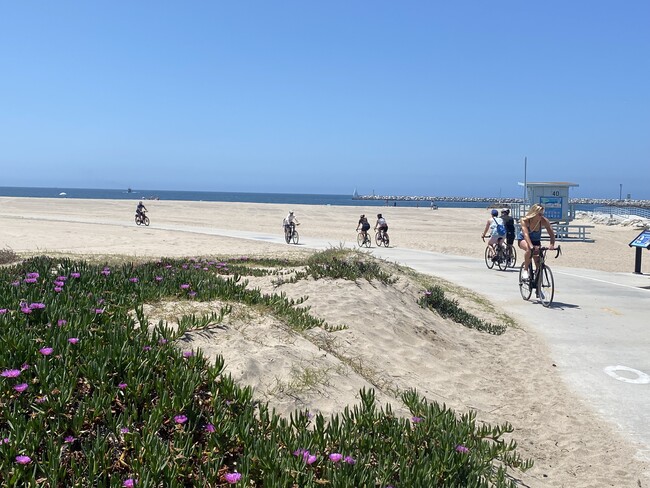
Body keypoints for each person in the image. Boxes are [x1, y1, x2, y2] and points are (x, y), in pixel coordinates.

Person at [518, 204, 556, 279]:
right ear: (534, 213)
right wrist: (531, 246)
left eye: (542, 214)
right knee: (529, 250)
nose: (541, 216)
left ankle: (537, 283)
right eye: (539, 214)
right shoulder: (525, 221)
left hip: (536, 240)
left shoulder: (544, 221)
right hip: (524, 239)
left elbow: (552, 234)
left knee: (538, 261)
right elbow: (526, 235)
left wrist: (552, 244)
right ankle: (525, 270)